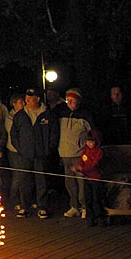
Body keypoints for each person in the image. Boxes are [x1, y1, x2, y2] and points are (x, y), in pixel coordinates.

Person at [12, 87, 60, 219]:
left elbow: (54, 134)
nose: (27, 99)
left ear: (37, 98)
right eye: (26, 97)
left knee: (42, 181)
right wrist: (21, 148)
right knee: (24, 181)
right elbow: (14, 134)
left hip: (41, 154)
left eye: (30, 97)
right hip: (25, 154)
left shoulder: (48, 115)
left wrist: (48, 149)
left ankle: (42, 207)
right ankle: (24, 206)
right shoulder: (20, 116)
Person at [57, 88, 95, 219]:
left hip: (79, 153)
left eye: (72, 100)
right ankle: (74, 206)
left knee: (82, 182)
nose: (69, 102)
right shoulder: (61, 113)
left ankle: (84, 206)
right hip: (65, 152)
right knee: (69, 182)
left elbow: (92, 133)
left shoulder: (85, 115)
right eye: (68, 99)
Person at [72, 130, 105, 226]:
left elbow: (93, 165)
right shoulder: (85, 150)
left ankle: (100, 218)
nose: (89, 144)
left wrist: (81, 168)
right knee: (88, 199)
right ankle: (90, 218)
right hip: (87, 178)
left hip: (96, 179)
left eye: (91, 141)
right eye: (88, 141)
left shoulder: (99, 152)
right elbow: (81, 160)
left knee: (96, 199)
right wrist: (79, 167)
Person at [5, 93, 30, 214]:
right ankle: (15, 200)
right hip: (14, 150)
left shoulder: (25, 115)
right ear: (14, 104)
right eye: (21, 102)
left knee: (24, 175)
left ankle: (24, 200)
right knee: (18, 176)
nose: (23, 104)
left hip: (24, 150)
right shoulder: (11, 117)